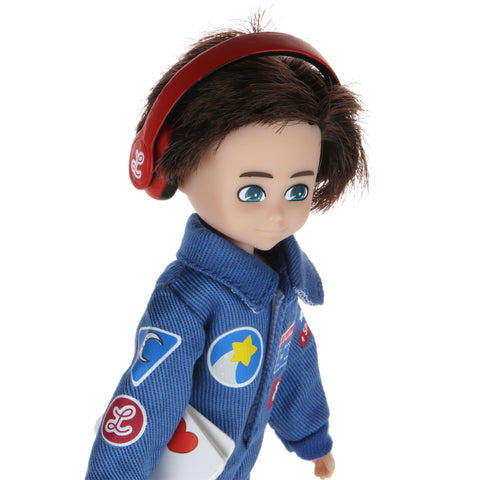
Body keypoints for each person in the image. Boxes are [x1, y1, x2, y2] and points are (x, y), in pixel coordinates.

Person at [86, 17, 367, 480]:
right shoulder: (186, 299)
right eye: (252, 191)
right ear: (174, 170)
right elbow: (147, 399)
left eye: (297, 191)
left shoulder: (282, 286)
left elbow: (294, 366)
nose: (277, 214)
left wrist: (312, 438)